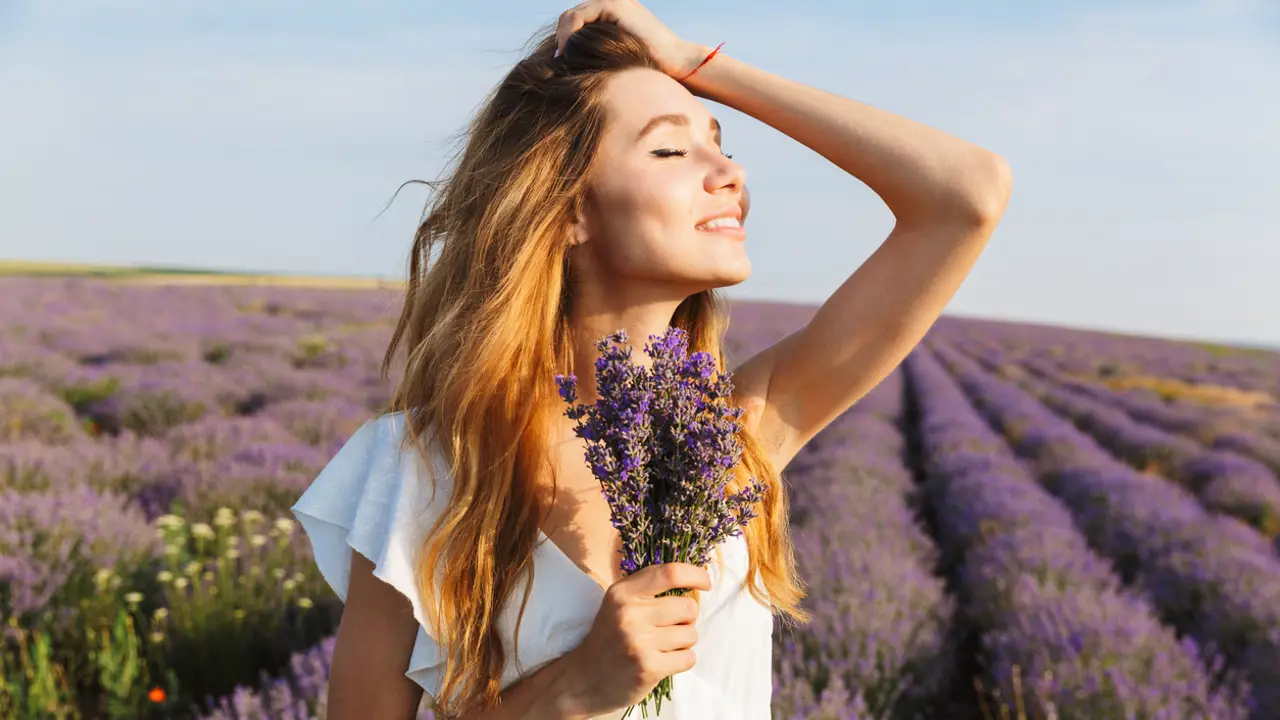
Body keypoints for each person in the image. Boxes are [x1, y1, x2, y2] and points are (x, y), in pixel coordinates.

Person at [291, 1, 1011, 718]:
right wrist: (575, 688)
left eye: (720, 142)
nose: (727, 170)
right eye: (671, 150)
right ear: (570, 209)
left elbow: (966, 195)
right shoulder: (425, 467)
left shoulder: (737, 437)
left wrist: (695, 63)